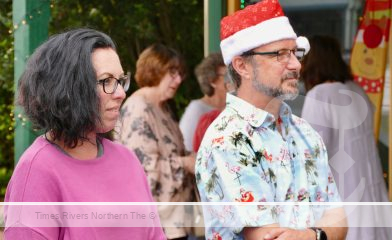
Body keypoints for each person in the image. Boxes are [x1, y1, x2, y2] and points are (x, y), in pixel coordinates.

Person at [195, 1, 348, 240]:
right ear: (242, 65)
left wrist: (308, 236)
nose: (296, 64)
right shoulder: (227, 139)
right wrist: (320, 234)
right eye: (280, 54)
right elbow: (269, 236)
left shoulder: (305, 132)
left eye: (295, 52)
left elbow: (339, 220)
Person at [4, 28, 165, 239]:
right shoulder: (37, 171)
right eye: (106, 81)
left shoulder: (127, 159)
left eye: (120, 80)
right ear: (69, 88)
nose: (121, 93)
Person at [301, 35, 392, 240]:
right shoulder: (357, 91)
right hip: (370, 191)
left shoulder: (320, 95)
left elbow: (313, 153)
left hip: (342, 193)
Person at [115, 43, 195, 240]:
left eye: (180, 74)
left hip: (174, 223)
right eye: (172, 73)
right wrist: (185, 163)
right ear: (154, 71)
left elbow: (172, 153)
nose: (178, 80)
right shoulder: (138, 111)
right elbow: (143, 172)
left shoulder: (163, 107)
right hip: (155, 226)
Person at [179, 52, 227, 151]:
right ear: (212, 81)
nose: (233, 80)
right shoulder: (196, 108)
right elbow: (186, 147)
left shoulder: (233, 107)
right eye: (227, 76)